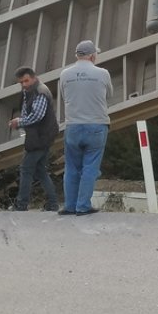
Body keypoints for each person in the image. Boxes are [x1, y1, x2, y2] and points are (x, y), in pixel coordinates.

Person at [58, 40, 113, 216]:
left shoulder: (65, 74)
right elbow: (109, 95)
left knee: (71, 167)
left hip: (73, 125)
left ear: (77, 55)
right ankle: (83, 206)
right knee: (90, 167)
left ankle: (69, 205)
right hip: (96, 124)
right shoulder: (103, 73)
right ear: (92, 55)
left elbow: (63, 95)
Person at [8, 67, 60, 211]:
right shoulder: (29, 91)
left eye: (26, 80)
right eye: (21, 82)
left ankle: (22, 204)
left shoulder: (40, 91)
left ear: (33, 77)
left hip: (41, 136)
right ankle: (53, 203)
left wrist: (19, 122)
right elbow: (28, 112)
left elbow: (38, 116)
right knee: (40, 170)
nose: (24, 84)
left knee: (26, 169)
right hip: (39, 135)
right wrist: (21, 121)